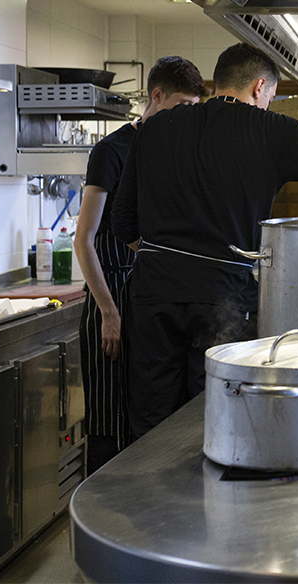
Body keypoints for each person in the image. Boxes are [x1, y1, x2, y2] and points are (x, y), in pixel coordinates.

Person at [112, 42, 298, 440]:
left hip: (152, 295)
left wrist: (170, 261)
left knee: (150, 423)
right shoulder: (270, 130)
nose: (268, 103)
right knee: (215, 415)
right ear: (259, 87)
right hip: (223, 298)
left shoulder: (156, 127)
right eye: (271, 96)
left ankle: (145, 481)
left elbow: (123, 223)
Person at [73, 56, 207, 474]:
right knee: (109, 420)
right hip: (110, 294)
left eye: (195, 108)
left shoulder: (174, 149)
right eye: (183, 105)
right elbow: (84, 238)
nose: (188, 116)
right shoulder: (112, 151)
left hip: (150, 296)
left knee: (146, 418)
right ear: (156, 96)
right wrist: (109, 313)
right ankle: (101, 505)